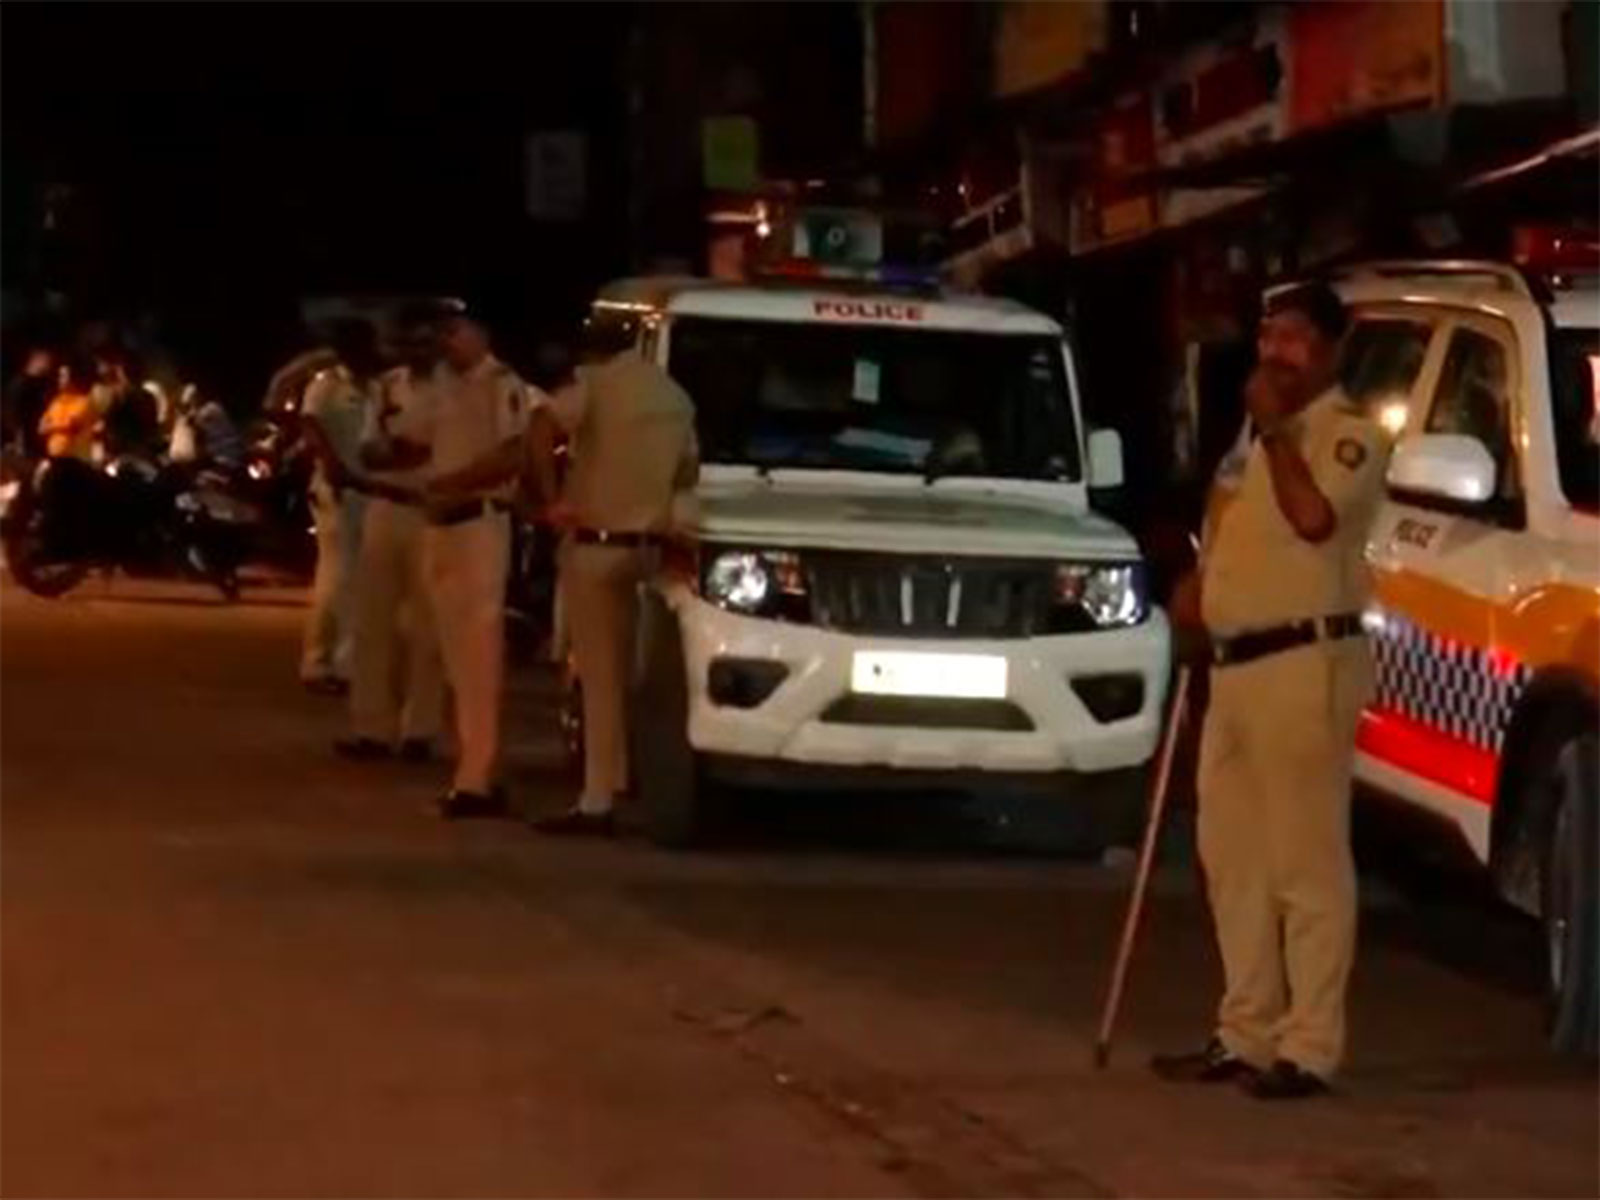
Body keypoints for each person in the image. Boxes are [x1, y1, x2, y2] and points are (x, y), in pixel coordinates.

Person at [1152, 283, 1390, 1101]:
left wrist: (1280, 431)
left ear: (1328, 352)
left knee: (1306, 862)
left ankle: (1311, 1046)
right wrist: (1196, 590)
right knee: (1233, 858)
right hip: (1235, 667)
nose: (1274, 351)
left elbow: (1314, 520)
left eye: (1292, 338)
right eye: (1267, 336)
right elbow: (1226, 532)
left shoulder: (1346, 436)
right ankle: (1245, 1031)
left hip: (1304, 664)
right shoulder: (1247, 442)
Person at [437, 318, 700, 836]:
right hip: (653, 549)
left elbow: (539, 427)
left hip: (596, 544)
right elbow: (687, 471)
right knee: (646, 680)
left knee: (599, 679)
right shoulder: (675, 397)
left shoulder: (592, 385)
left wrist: (552, 497)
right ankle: (638, 780)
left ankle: (598, 798)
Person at [404, 304, 539, 817]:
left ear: (482, 334)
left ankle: (477, 779)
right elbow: (415, 441)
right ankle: (476, 767)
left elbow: (513, 454)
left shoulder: (502, 384)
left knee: (478, 657)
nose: (446, 341)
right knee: (455, 658)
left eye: (455, 332)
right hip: (441, 525)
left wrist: (450, 482)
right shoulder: (444, 382)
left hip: (478, 522)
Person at [336, 306, 446, 762]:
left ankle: (420, 730)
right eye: (408, 341)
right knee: (372, 623)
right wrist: (405, 454)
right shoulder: (388, 388)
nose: (415, 350)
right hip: (386, 505)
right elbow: (369, 453)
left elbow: (447, 454)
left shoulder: (459, 390)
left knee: (427, 628)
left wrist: (404, 453)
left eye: (425, 340)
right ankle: (371, 729)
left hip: (431, 514)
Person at [298, 319, 385, 696]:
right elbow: (310, 426)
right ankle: (327, 664)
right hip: (337, 491)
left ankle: (331, 662)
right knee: (338, 579)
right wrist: (333, 465)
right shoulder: (326, 384)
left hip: (370, 490)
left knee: (351, 579)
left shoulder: (379, 388)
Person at [38, 359, 99, 462]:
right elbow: (41, 428)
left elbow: (71, 425)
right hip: (54, 457)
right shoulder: (55, 402)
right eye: (59, 376)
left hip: (75, 461)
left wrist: (51, 426)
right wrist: (52, 426)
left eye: (63, 376)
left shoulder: (84, 402)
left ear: (74, 378)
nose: (59, 380)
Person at [5, 347, 58, 458]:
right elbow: (15, 413)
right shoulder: (20, 384)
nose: (48, 363)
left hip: (43, 434)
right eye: (44, 358)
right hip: (26, 434)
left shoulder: (46, 383)